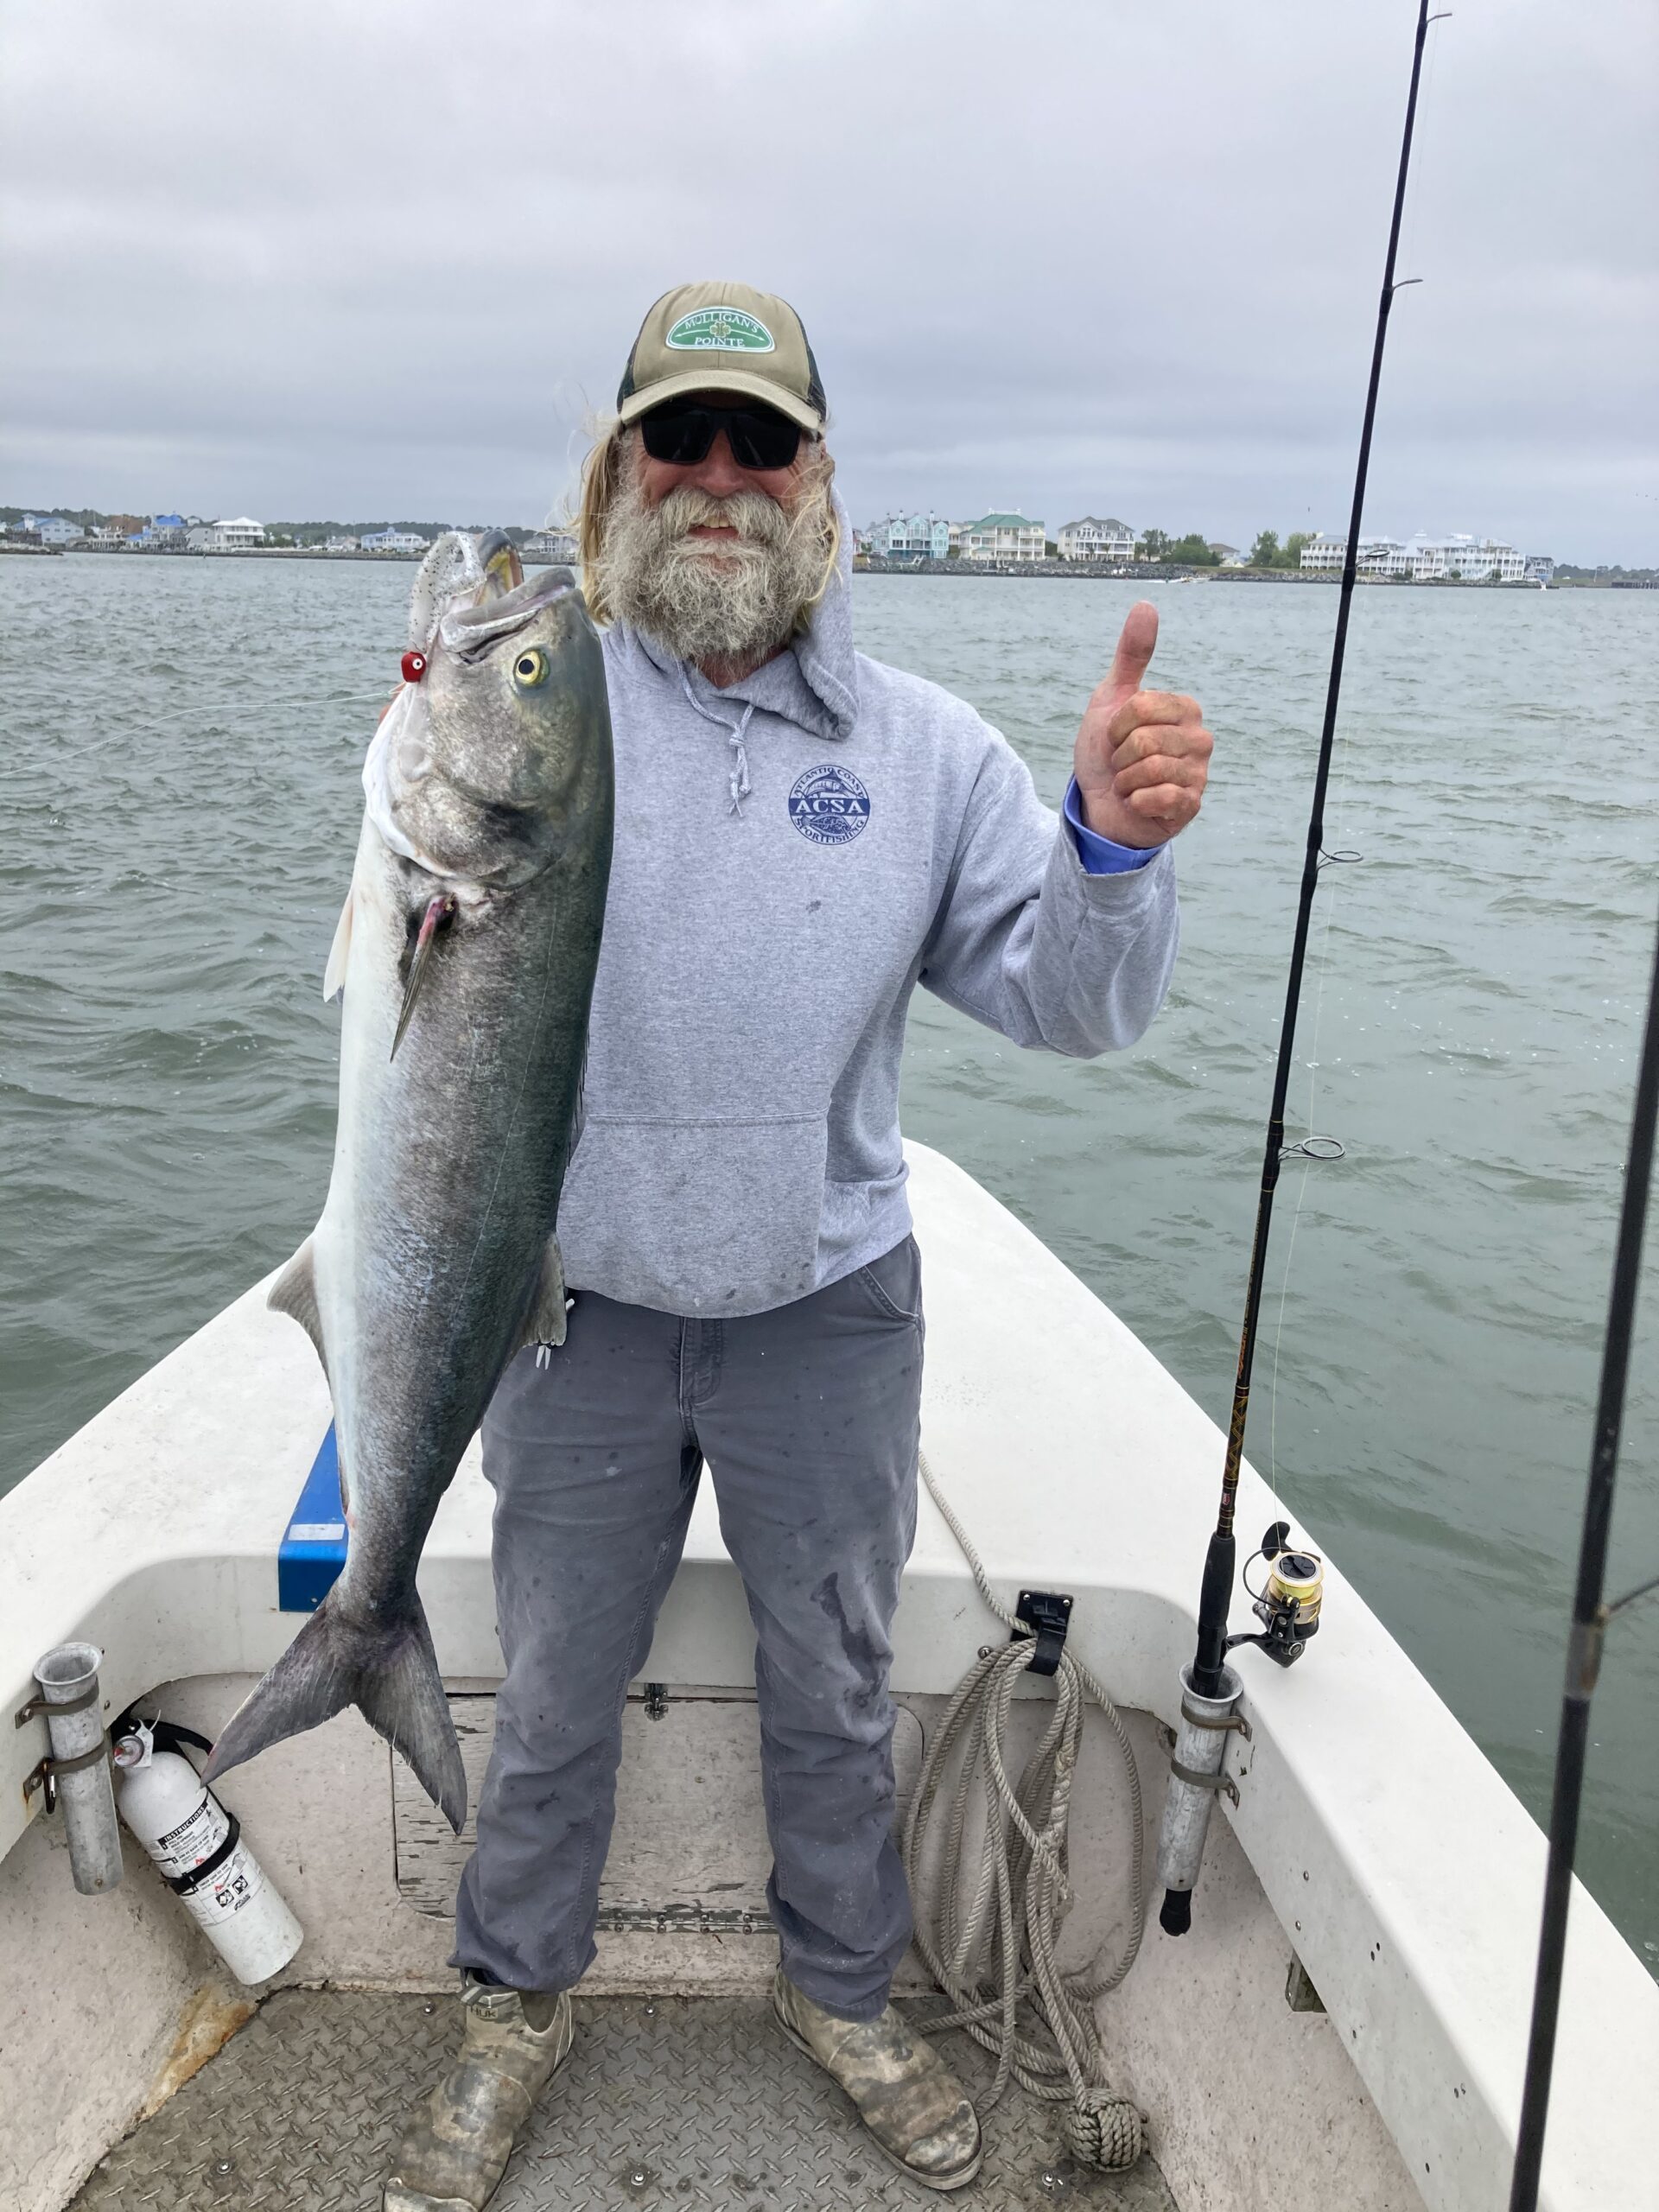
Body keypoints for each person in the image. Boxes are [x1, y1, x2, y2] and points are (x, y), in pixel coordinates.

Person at [385, 280, 1212, 2211]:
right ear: (615, 473)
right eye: (682, 437)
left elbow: (1074, 1002)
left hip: (827, 1313)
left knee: (837, 1686)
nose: (722, 479)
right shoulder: (534, 702)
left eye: (767, 443)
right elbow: (400, 987)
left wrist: (1106, 849)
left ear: (827, 488)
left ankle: (846, 1993)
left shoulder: (924, 751)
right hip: (565, 1305)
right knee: (559, 1678)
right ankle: (515, 2002)